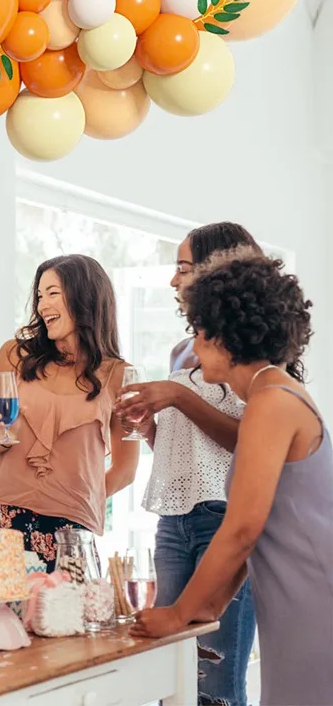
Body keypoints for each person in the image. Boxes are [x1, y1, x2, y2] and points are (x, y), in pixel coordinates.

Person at [132, 250, 333, 706]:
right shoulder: (274, 394)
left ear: (222, 337)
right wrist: (209, 604)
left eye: (198, 333)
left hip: (312, 598)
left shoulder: (272, 402)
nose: (194, 347)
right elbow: (260, 524)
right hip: (295, 594)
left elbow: (241, 528)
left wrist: (179, 613)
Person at [115, 223, 260, 706]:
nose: (173, 281)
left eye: (183, 268)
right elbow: (186, 449)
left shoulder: (252, 351)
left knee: (215, 681)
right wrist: (149, 426)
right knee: (174, 675)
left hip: (223, 518)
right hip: (173, 524)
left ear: (218, 269)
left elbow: (250, 443)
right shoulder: (184, 350)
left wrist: (177, 396)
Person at [0, 255, 139, 571]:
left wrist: (75, 500)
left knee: (67, 604)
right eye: (39, 296)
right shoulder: (14, 354)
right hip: (2, 515)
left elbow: (126, 469)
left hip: (71, 528)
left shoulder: (120, 376)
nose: (42, 305)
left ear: (84, 297)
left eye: (53, 293)